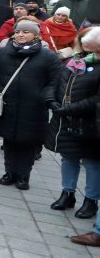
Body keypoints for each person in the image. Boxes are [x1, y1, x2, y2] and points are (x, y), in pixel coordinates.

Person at [0, 18, 62, 190]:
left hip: (33, 107)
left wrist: (44, 97)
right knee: (9, 141)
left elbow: (55, 81)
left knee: (28, 143)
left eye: (25, 32)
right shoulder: (4, 52)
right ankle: (9, 172)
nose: (20, 34)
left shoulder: (48, 56)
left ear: (35, 35)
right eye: (18, 31)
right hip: (7, 104)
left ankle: (23, 176)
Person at [46, 27, 100, 219]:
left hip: (90, 123)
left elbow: (96, 100)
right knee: (68, 157)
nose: (85, 42)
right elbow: (56, 82)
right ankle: (67, 193)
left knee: (92, 162)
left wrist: (68, 108)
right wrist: (51, 100)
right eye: (83, 38)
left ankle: (91, 200)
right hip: (66, 120)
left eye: (89, 39)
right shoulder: (74, 61)